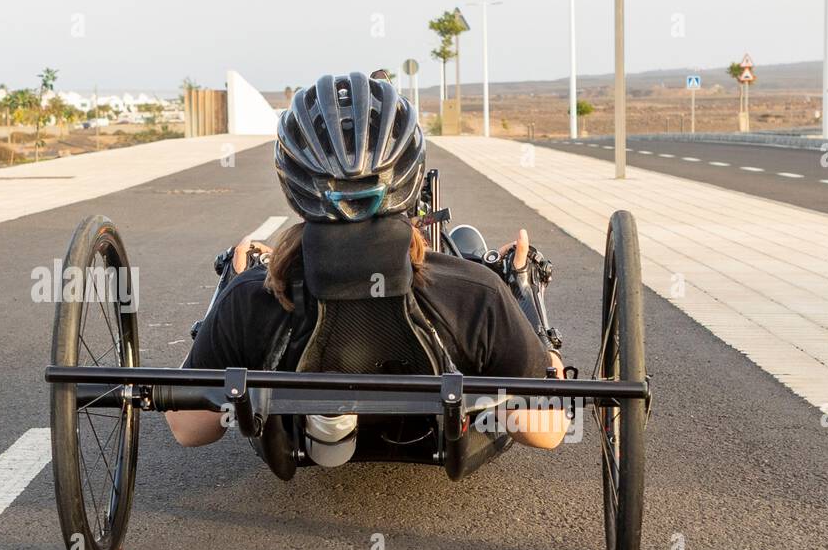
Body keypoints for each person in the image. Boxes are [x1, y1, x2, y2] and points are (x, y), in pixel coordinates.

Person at [166, 71, 566, 452]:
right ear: (408, 177)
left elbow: (188, 428)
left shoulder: (250, 300)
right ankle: (521, 280)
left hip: (298, 434)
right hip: (444, 429)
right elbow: (546, 432)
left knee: (244, 268)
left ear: (295, 184)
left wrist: (229, 294)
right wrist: (530, 316)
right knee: (468, 242)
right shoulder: (474, 293)